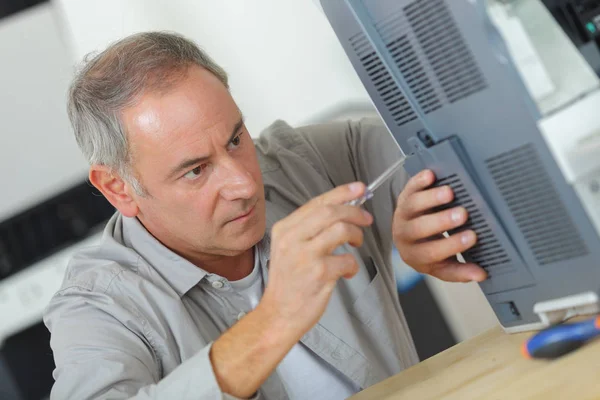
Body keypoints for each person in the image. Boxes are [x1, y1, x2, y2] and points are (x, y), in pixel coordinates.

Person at [44, 31, 486, 400]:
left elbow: (466, 150)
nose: (244, 183)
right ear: (118, 188)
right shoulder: (97, 307)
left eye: (236, 140)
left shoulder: (305, 162)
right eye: (196, 170)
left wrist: (437, 214)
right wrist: (275, 319)